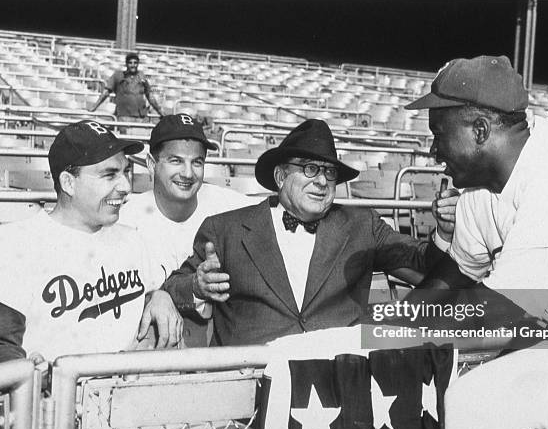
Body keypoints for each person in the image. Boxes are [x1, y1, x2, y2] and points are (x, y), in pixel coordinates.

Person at [404, 55, 548, 429]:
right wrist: (387, 322)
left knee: (480, 402)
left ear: (480, 130)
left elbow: (499, 309)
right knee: (478, 399)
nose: (432, 150)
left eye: (438, 134)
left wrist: (395, 332)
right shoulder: (479, 188)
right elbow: (457, 274)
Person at [162, 118, 459, 346]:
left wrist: (444, 232)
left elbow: (423, 260)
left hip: (338, 378)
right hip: (251, 383)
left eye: (329, 172)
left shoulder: (361, 225)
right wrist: (197, 287)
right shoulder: (224, 229)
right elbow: (174, 287)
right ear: (280, 177)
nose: (321, 181)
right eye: (308, 169)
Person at [0, 120, 182, 363]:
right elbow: (4, 344)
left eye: (126, 172)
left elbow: (156, 286)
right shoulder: (16, 243)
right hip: (55, 396)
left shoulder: (133, 239)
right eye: (109, 175)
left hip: (124, 391)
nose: (126, 186)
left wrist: (161, 296)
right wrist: (25, 374)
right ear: (68, 183)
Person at [120, 113, 257, 346]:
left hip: (220, 338)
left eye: (197, 162)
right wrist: (153, 297)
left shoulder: (233, 207)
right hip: (153, 344)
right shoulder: (125, 220)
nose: (188, 173)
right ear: (152, 165)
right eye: (175, 161)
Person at [88, 53, 163, 123]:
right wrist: (94, 107)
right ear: (126, 64)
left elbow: (149, 96)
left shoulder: (141, 76)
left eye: (135, 63)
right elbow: (106, 92)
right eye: (130, 63)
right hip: (124, 116)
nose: (133, 65)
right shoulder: (118, 76)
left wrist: (160, 112)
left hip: (141, 117)